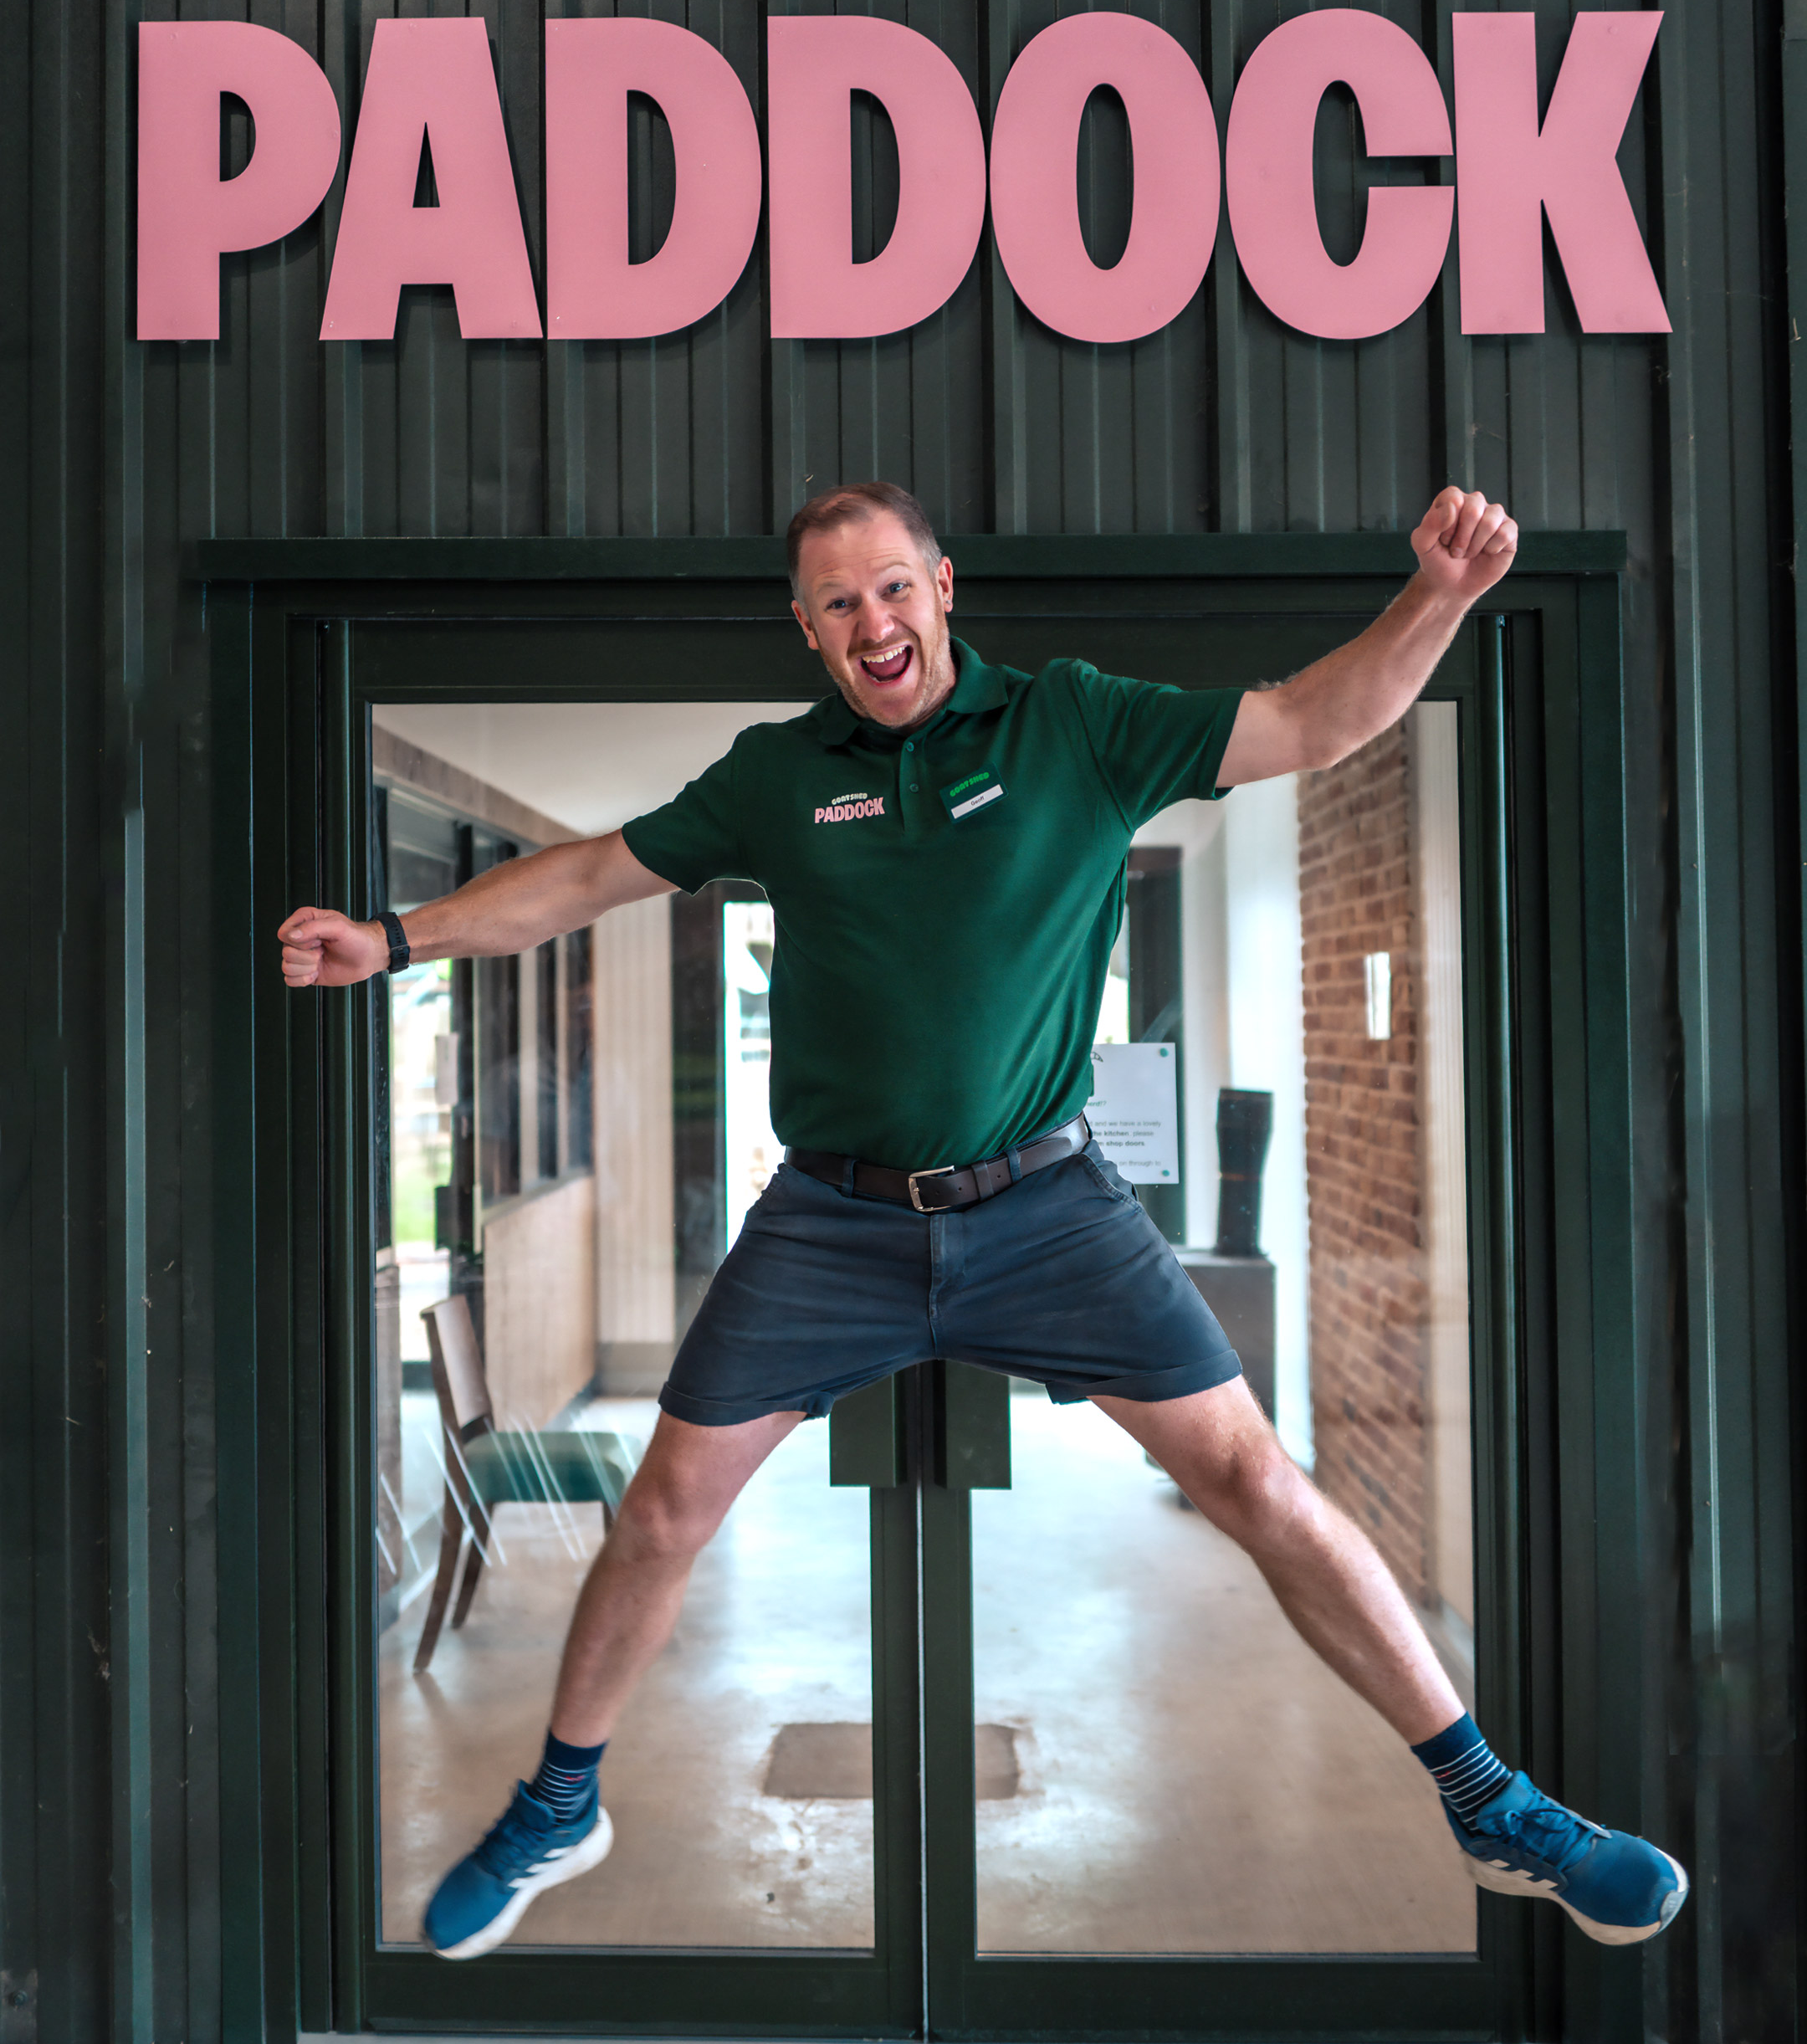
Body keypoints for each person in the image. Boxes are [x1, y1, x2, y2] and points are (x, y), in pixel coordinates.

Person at [279, 479, 1688, 1965]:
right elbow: (584, 877)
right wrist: (396, 940)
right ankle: (563, 1805)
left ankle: (1486, 1800)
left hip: (1051, 1207)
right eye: (837, 601)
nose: (870, 621)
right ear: (809, 630)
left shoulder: (1073, 724)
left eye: (891, 587)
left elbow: (1308, 723)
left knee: (1256, 1482)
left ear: (942, 588)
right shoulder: (776, 775)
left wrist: (1440, 602)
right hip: (831, 1220)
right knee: (665, 1510)